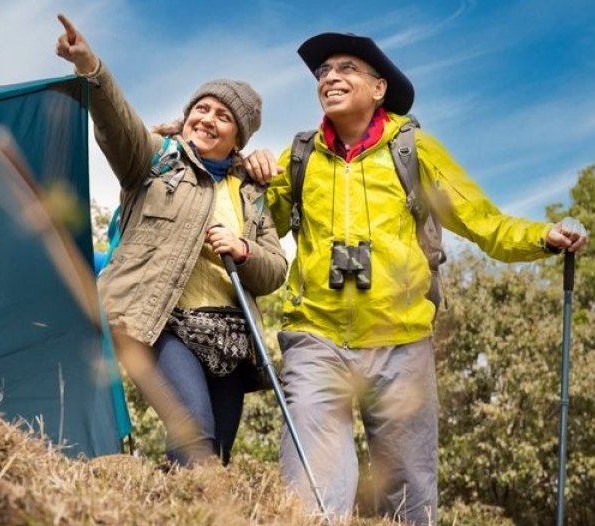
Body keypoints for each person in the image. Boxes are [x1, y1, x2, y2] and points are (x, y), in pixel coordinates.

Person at [242, 32, 589, 523]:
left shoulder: (413, 149)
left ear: (379, 88)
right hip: (316, 340)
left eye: (345, 69)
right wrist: (250, 176)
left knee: (408, 497)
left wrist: (543, 235)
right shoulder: (298, 157)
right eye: (323, 73)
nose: (330, 78)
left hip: (401, 345)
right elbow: (258, 229)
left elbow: (482, 220)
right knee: (311, 493)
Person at [55, 14, 288, 467]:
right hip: (161, 324)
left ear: (238, 137)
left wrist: (243, 250)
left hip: (232, 341)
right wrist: (91, 69)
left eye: (223, 116)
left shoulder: (250, 194)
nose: (207, 119)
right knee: (193, 434)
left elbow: (276, 269)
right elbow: (117, 122)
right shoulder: (155, 162)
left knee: (215, 456)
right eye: (202, 108)